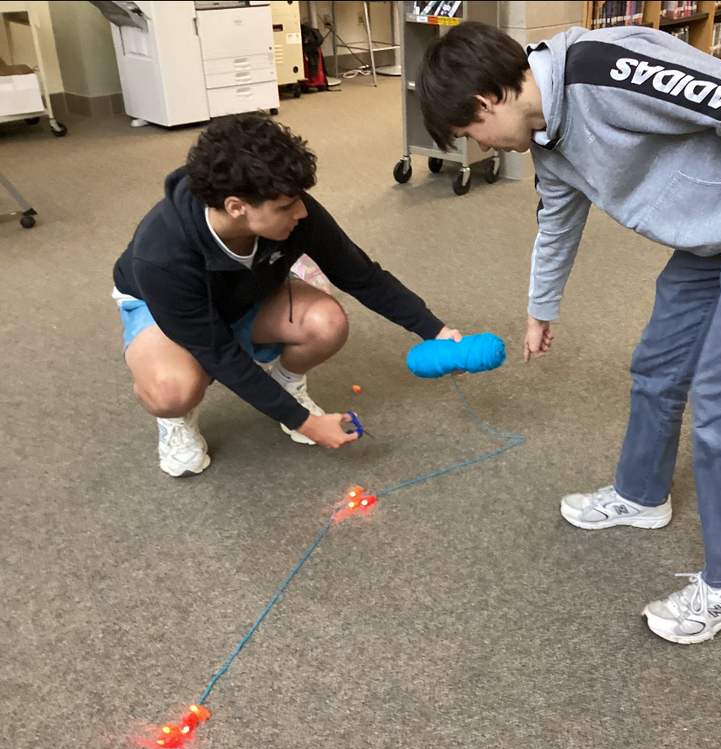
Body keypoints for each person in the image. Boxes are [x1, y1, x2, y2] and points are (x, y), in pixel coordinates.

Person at [417, 22, 721, 644]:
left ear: (486, 102)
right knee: (658, 365)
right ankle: (642, 495)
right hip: (714, 229)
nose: (481, 146)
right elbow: (557, 222)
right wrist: (540, 310)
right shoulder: (547, 141)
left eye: (469, 133)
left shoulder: (604, 70)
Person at [113, 113, 461, 477]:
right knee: (172, 391)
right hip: (160, 308)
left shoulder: (295, 212)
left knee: (327, 323)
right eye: (284, 207)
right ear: (235, 207)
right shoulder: (162, 256)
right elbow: (217, 351)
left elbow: (362, 277)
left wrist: (435, 331)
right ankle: (176, 421)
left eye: (299, 198)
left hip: (248, 290)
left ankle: (287, 383)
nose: (301, 211)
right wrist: (305, 423)